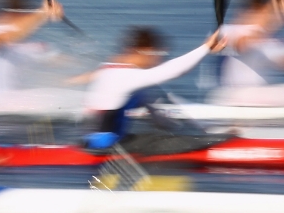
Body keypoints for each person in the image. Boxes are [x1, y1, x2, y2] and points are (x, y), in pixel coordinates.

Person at [83, 27, 224, 148]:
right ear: (144, 51)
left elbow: (155, 110)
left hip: (96, 141)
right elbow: (174, 71)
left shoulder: (108, 69)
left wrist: (166, 121)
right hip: (104, 145)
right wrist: (205, 48)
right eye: (158, 53)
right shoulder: (125, 75)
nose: (159, 59)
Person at [0, 0, 64, 113]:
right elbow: (5, 38)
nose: (26, 20)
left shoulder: (24, 44)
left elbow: (61, 61)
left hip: (14, 104)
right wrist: (42, 14)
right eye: (24, 15)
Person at [212, 0, 284, 107]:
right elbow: (241, 45)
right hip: (235, 96)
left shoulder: (275, 41)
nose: (276, 18)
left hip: (259, 98)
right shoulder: (230, 31)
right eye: (272, 13)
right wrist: (271, 21)